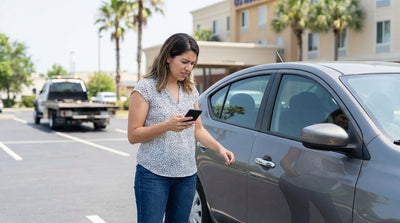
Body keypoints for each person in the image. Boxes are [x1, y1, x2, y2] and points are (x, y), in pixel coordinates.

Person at [127, 33, 235, 223]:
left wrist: (220, 148)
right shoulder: (145, 88)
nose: (188, 68)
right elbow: (133, 135)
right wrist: (166, 126)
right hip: (153, 175)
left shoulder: (190, 90)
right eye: (184, 61)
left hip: (186, 175)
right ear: (169, 57)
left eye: (192, 63)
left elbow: (198, 130)